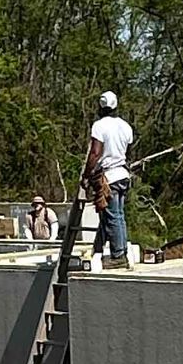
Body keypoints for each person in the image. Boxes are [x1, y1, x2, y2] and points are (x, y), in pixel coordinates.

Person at [83, 89, 134, 268]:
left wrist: (86, 175)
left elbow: (95, 153)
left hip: (109, 177)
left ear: (101, 107)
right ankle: (98, 249)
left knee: (114, 216)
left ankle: (119, 255)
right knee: (111, 215)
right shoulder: (126, 126)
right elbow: (128, 151)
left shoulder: (100, 125)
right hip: (123, 175)